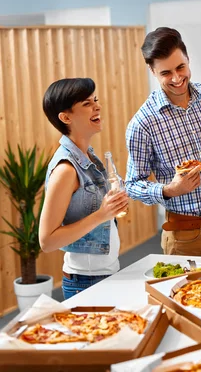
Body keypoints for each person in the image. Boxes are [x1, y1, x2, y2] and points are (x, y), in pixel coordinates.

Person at [125, 27, 201, 258]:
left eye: (181, 67)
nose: (177, 78)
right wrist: (169, 190)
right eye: (166, 73)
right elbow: (131, 184)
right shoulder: (143, 123)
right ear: (152, 71)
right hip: (184, 237)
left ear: (188, 60)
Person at [39, 78, 129, 299]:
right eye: (87, 104)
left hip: (105, 273)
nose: (97, 106)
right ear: (66, 117)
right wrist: (102, 214)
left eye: (95, 100)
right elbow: (47, 241)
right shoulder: (66, 170)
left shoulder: (88, 156)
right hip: (86, 282)